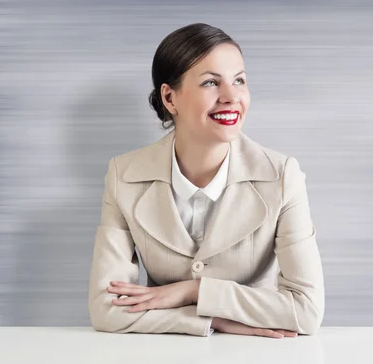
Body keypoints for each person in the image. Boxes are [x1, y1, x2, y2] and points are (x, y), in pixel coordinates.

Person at [88, 23, 325, 338]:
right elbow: (106, 310)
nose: (231, 97)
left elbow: (306, 311)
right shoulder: (124, 176)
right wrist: (211, 320)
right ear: (170, 98)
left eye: (239, 80)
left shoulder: (282, 176)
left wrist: (194, 291)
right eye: (211, 83)